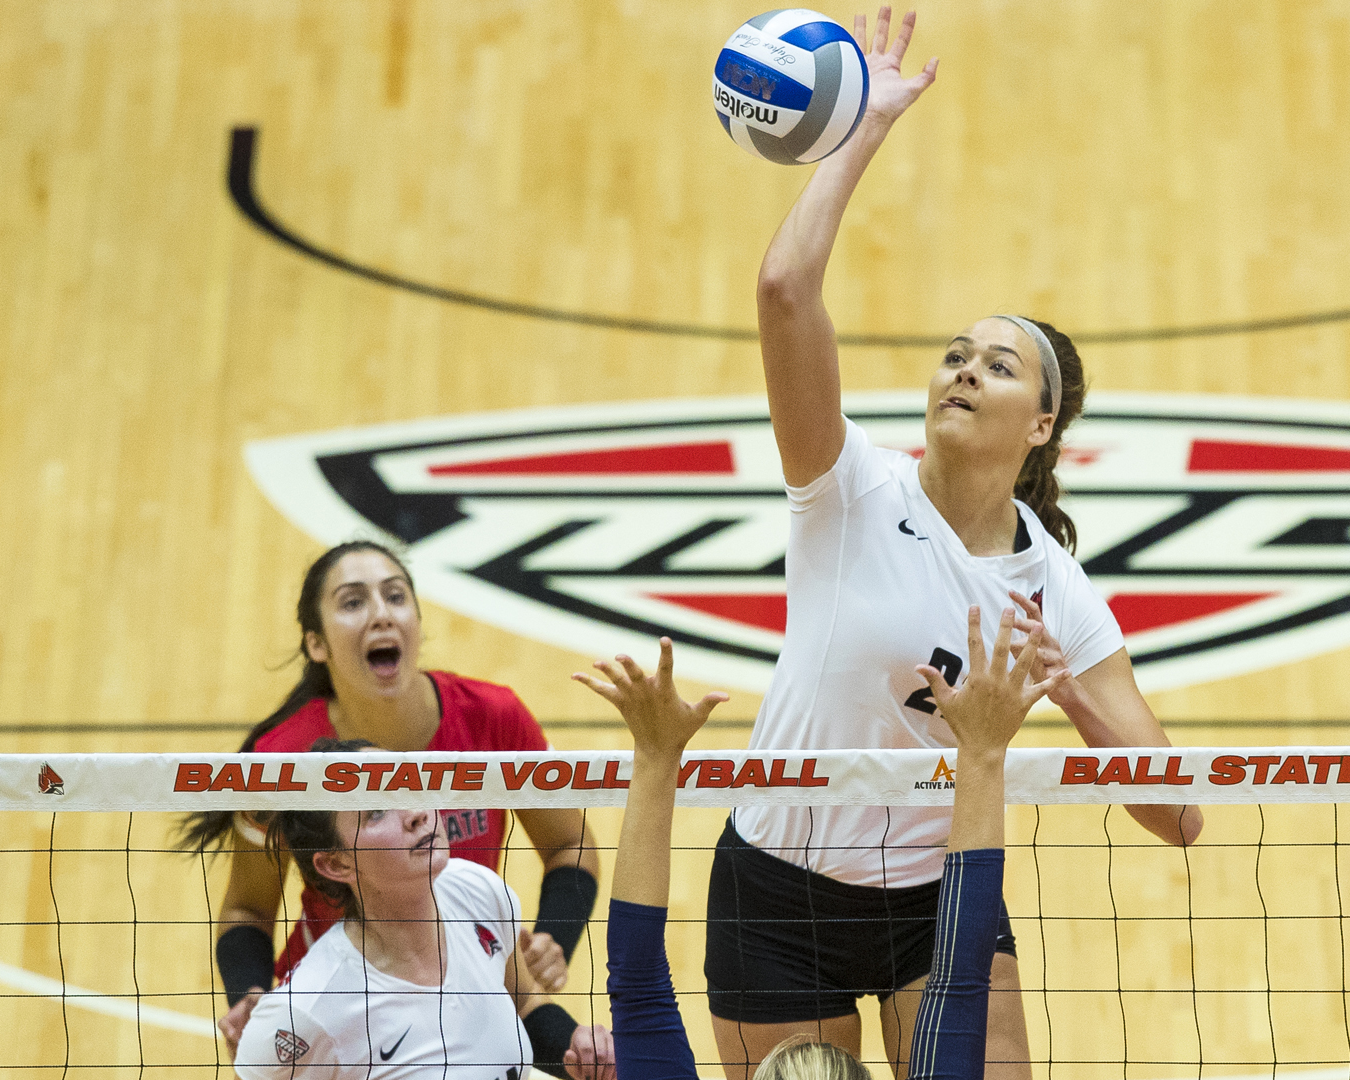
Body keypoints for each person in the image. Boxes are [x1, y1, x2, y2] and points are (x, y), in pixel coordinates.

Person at [713, 8, 1204, 1077]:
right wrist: (860, 135)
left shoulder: (1054, 593)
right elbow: (784, 291)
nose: (965, 368)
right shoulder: (844, 488)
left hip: (940, 898)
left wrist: (1067, 691)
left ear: (1041, 428)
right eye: (956, 354)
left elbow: (1179, 816)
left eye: (1000, 362)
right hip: (775, 886)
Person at [581, 614, 1062, 1080]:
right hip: (782, 902)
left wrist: (654, 757)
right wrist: (982, 751)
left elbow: (635, 983)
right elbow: (963, 973)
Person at [177, 541, 601, 1049]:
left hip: (462, 982)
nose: (380, 614)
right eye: (353, 602)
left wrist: (554, 937)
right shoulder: (286, 760)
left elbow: (570, 845)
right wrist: (249, 994)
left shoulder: (494, 718)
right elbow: (246, 910)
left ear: (418, 622)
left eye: (395, 596)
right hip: (336, 1012)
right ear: (317, 644)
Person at [232, 738, 614, 1079]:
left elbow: (525, 1001)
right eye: (377, 811)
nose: (414, 811)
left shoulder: (476, 890)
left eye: (407, 781)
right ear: (337, 864)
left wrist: (575, 1048)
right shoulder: (309, 1009)